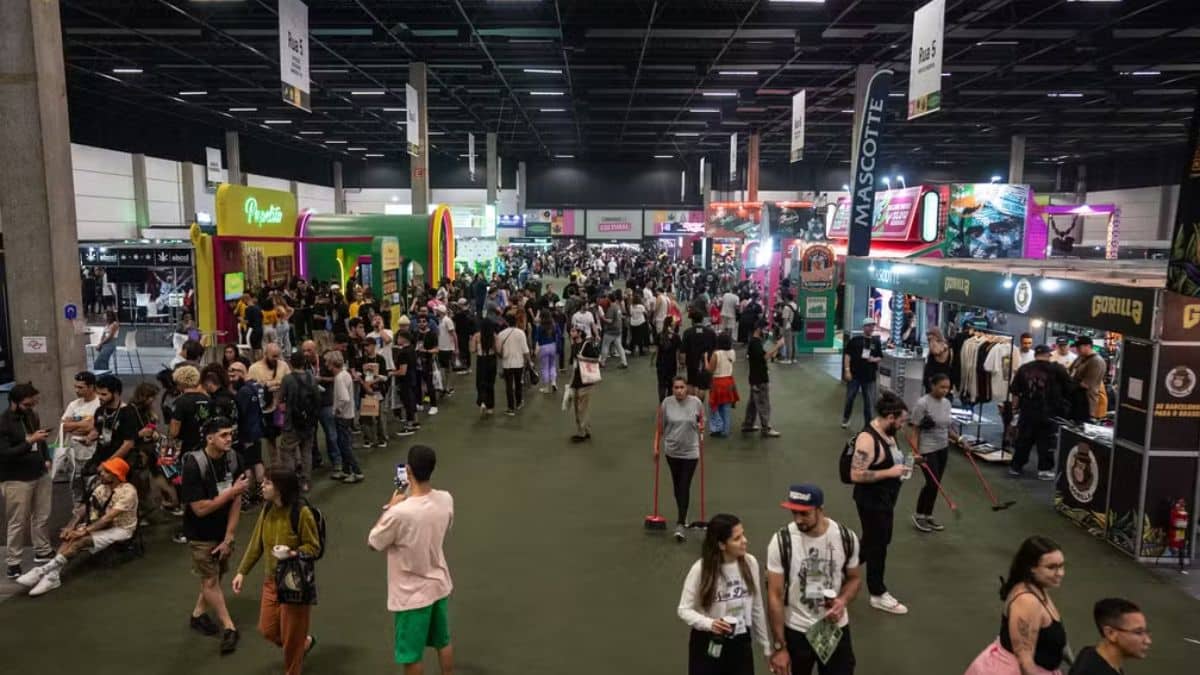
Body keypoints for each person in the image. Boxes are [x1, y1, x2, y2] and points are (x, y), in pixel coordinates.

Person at [368, 445, 455, 675]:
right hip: (438, 585)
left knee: (411, 655)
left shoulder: (399, 513)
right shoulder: (446, 499)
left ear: (408, 471)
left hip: (411, 595)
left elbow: (374, 541)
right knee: (443, 641)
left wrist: (390, 507)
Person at [765, 484, 861, 675]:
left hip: (832, 628)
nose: (798, 519)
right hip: (797, 629)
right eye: (794, 513)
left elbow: (854, 579)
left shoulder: (845, 537)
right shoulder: (781, 541)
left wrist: (842, 601)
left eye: (805, 514)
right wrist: (780, 647)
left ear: (820, 510)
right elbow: (774, 596)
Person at [232, 470, 321, 675]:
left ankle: (294, 664)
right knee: (268, 629)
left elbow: (313, 547)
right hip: (271, 581)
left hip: (294, 582)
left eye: (268, 483)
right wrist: (241, 572)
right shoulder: (267, 509)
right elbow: (257, 543)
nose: (262, 486)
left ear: (280, 488)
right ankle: (302, 643)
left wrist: (292, 552)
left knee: (291, 640)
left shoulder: (301, 513)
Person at [16, 457, 138, 596]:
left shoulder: (128, 492)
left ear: (116, 475)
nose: (101, 474)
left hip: (121, 529)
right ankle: (53, 576)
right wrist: (71, 527)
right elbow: (83, 509)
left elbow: (107, 518)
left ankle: (42, 571)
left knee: (81, 541)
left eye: (106, 472)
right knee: (69, 537)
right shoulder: (101, 488)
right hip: (99, 524)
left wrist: (83, 532)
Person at [181, 417, 249, 655]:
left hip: (222, 530)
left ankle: (198, 615)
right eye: (223, 435)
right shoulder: (193, 465)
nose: (229, 438)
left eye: (230, 433)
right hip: (200, 533)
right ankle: (229, 627)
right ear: (209, 439)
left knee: (215, 574)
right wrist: (231, 492)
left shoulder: (234, 459)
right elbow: (199, 509)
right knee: (210, 580)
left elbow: (237, 500)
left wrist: (229, 536)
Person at [677, 513, 770, 675]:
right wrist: (710, 624)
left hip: (741, 641)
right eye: (737, 538)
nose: (744, 541)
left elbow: (757, 606)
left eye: (743, 535)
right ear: (721, 545)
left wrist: (766, 645)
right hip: (708, 642)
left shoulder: (750, 563)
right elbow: (684, 609)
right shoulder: (700, 569)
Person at [964, 536, 1068, 675]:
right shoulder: (1027, 601)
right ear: (1032, 568)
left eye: (1061, 565)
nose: (1060, 573)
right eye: (1051, 567)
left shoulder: (1039, 587)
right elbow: (1025, 661)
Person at [848, 391, 910, 616]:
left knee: (874, 541)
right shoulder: (867, 439)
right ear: (890, 417)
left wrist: (902, 466)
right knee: (878, 545)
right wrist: (890, 472)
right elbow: (856, 474)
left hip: (886, 499)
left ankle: (840, 569)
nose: (902, 426)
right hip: (872, 501)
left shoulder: (889, 433)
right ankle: (878, 593)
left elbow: (891, 459)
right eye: (901, 421)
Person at [1, 383, 53, 579]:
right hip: (15, 478)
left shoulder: (31, 415)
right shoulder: (3, 423)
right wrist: (29, 442)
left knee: (42, 515)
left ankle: (43, 549)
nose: (31, 407)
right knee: (17, 521)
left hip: (39, 472)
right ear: (14, 403)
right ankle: (13, 562)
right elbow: (4, 454)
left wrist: (46, 457)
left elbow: (41, 440)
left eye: (33, 403)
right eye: (27, 404)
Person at [905, 373, 962, 532]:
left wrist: (959, 439)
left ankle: (928, 516)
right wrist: (915, 453)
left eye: (948, 387)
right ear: (932, 386)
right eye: (942, 387)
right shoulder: (922, 404)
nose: (945, 390)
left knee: (936, 484)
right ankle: (918, 515)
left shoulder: (947, 403)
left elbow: (946, 427)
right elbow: (915, 430)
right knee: (932, 483)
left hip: (943, 447)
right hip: (927, 449)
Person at [1009, 346, 1072, 481]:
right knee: (1047, 442)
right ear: (1049, 355)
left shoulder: (1024, 368)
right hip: (1049, 412)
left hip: (1027, 411)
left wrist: (1015, 411)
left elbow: (1015, 392)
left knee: (1024, 440)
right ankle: (1044, 470)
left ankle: (1016, 466)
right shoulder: (1058, 369)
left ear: (1035, 355)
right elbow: (1069, 389)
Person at [656, 377, 705, 542]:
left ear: (687, 388)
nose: (679, 390)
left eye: (682, 387)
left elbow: (702, 420)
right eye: (676, 387)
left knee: (684, 485)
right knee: (677, 487)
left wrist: (701, 427)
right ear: (672, 389)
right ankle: (683, 515)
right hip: (672, 452)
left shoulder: (696, 402)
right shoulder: (666, 403)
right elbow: (660, 428)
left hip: (691, 452)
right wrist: (656, 446)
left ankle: (680, 524)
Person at [1070, 598, 1151, 675]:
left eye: (1146, 632)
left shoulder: (1089, 652)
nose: (1148, 641)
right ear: (1110, 633)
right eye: (1138, 632)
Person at [279, 352, 320, 492]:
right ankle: (306, 482)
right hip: (309, 422)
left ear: (290, 363)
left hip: (291, 422)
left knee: (288, 453)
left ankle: (291, 483)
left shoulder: (287, 379)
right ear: (304, 362)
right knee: (306, 452)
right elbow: (317, 398)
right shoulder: (311, 377)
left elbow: (280, 400)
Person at [249, 343, 292, 469]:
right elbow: (252, 388)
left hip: (282, 408)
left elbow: (288, 382)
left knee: (287, 437)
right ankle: (275, 465)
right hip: (266, 410)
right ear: (265, 354)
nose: (276, 359)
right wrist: (275, 384)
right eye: (273, 356)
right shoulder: (254, 368)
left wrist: (269, 385)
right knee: (270, 439)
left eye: (278, 356)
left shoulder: (283, 365)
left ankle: (289, 464)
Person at [60, 371, 101, 502]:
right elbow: (64, 426)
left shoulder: (100, 404)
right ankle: (78, 515)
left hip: (93, 454)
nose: (77, 390)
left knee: (94, 487)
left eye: (81, 387)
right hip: (74, 454)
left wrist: (76, 424)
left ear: (91, 387)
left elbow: (94, 427)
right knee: (76, 487)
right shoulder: (74, 404)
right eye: (75, 387)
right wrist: (84, 424)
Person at [327, 350, 364, 483]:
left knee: (345, 446)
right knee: (344, 444)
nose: (326, 365)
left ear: (332, 364)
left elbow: (344, 398)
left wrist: (337, 409)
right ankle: (346, 470)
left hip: (343, 416)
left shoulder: (339, 378)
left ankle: (357, 472)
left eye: (328, 362)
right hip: (349, 414)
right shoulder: (346, 374)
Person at [742, 319, 782, 438]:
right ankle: (766, 428)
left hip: (755, 377)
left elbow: (769, 355)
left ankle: (748, 424)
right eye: (765, 329)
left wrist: (775, 348)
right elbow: (764, 357)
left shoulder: (756, 342)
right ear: (759, 329)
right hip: (759, 378)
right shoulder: (755, 343)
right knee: (763, 403)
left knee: (753, 402)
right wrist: (778, 346)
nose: (766, 331)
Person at [841, 318, 883, 429]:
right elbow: (847, 356)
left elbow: (880, 357)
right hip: (854, 375)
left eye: (873, 325)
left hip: (869, 377)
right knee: (850, 398)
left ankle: (868, 425)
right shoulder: (855, 340)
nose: (871, 328)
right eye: (869, 325)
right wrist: (847, 370)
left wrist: (873, 359)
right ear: (864, 327)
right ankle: (846, 417)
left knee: (869, 402)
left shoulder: (876, 341)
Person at [570, 326, 602, 442]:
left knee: (581, 408)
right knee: (579, 408)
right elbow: (572, 364)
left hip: (585, 381)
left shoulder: (586, 345)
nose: (571, 333)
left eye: (574, 331)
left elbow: (596, 360)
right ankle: (585, 430)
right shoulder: (573, 346)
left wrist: (582, 358)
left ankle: (581, 433)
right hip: (577, 380)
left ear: (580, 333)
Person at [707, 332, 739, 437]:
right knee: (726, 408)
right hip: (729, 382)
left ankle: (716, 427)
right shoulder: (732, 352)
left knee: (714, 406)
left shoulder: (716, 354)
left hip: (718, 383)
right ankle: (725, 430)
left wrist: (705, 359)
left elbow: (710, 370)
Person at [497, 318, 531, 416]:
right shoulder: (521, 333)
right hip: (519, 363)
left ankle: (510, 408)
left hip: (507, 363)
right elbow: (525, 349)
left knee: (508, 386)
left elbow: (499, 351)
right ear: (516, 322)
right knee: (518, 383)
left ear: (507, 322)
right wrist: (529, 361)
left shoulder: (501, 334)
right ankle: (519, 402)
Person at [682, 309, 717, 402]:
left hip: (691, 362)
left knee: (691, 383)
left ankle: (692, 403)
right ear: (702, 320)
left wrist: (682, 362)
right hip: (706, 363)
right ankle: (699, 404)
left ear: (692, 320)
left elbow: (683, 351)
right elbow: (715, 350)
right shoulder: (711, 332)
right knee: (702, 386)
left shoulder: (687, 332)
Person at [359, 340, 389, 448]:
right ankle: (369, 439)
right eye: (364, 346)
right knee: (367, 416)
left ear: (373, 346)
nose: (366, 348)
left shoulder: (380, 359)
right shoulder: (362, 360)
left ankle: (382, 438)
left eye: (367, 346)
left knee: (380, 417)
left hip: (378, 391)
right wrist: (365, 385)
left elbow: (385, 376)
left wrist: (372, 382)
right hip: (366, 392)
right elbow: (359, 375)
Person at [1069, 336, 1106, 421]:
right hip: (1075, 400)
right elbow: (1070, 371)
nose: (1077, 349)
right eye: (1076, 346)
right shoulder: (1080, 357)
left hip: (1086, 403)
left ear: (1088, 346)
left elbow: (1086, 385)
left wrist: (1071, 382)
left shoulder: (1096, 361)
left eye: (1079, 347)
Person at [656, 315, 682, 403]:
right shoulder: (676, 337)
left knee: (661, 384)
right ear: (671, 324)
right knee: (671, 384)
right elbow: (677, 353)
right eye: (674, 321)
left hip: (660, 363)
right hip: (672, 364)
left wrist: (654, 361)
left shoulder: (660, 335)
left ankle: (661, 402)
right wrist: (679, 363)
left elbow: (657, 350)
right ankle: (669, 402)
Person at [533, 310, 560, 393]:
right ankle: (554, 382)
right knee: (552, 365)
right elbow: (559, 333)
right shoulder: (554, 325)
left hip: (543, 347)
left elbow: (536, 338)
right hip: (552, 345)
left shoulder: (540, 327)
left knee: (545, 367)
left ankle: (546, 387)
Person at [600, 294, 629, 368]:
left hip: (611, 331)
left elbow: (610, 321)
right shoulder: (617, 306)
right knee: (619, 347)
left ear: (609, 299)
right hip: (618, 330)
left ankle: (602, 362)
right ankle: (624, 362)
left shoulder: (611, 308)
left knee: (605, 346)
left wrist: (602, 318)